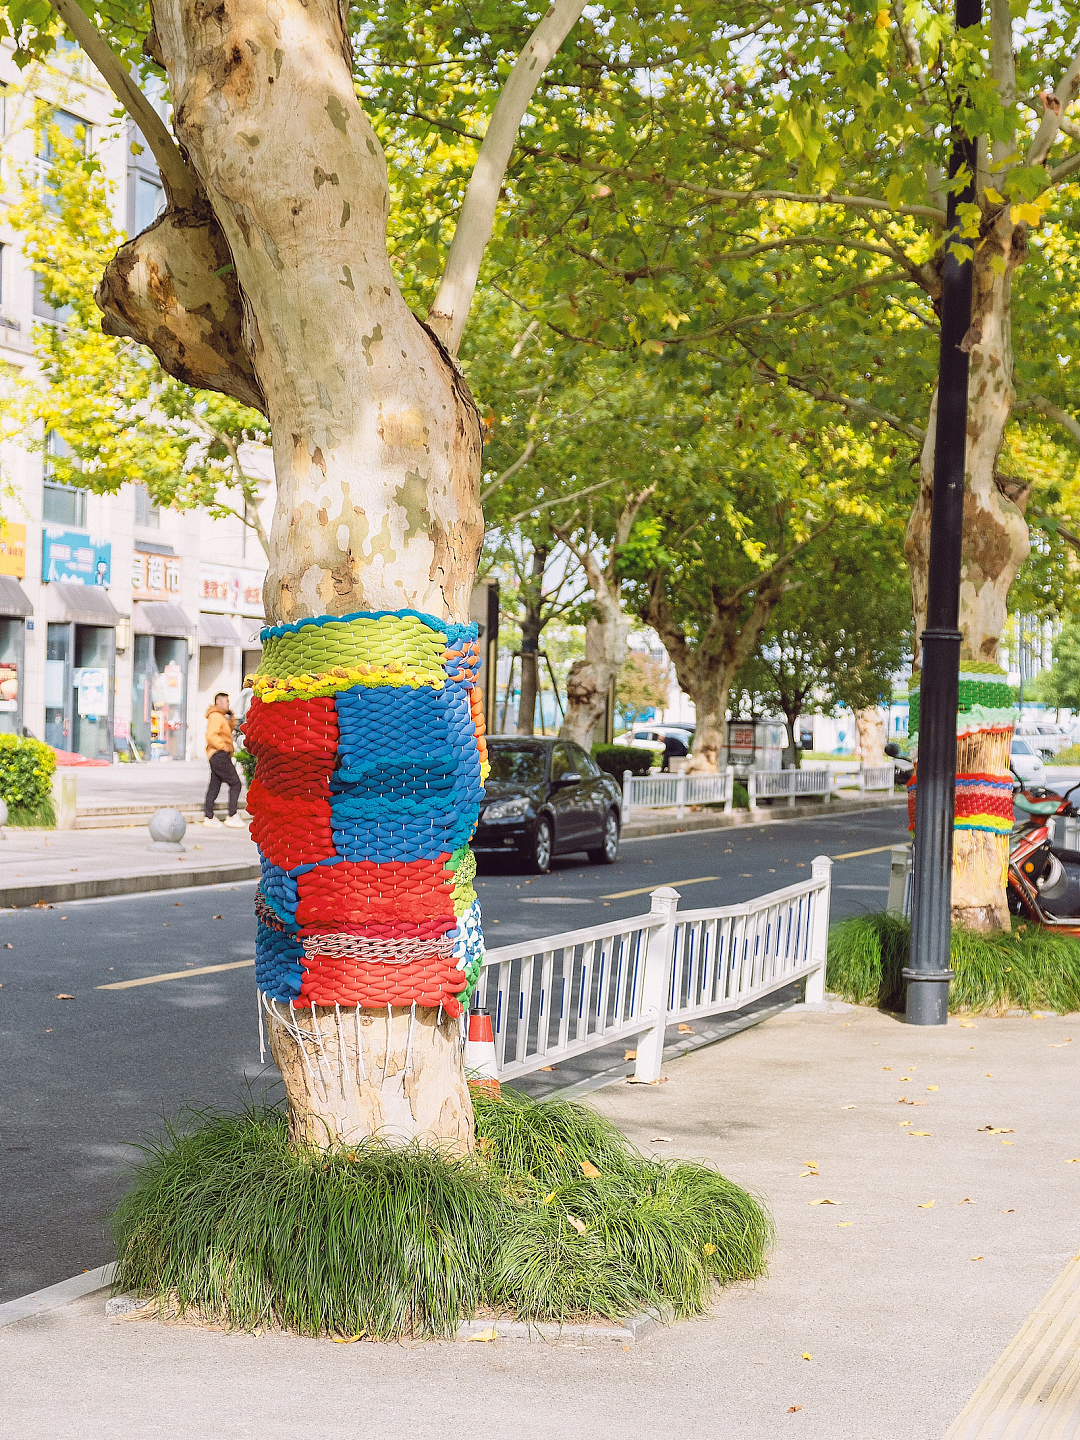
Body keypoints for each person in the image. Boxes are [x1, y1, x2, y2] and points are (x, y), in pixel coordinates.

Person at [204, 692, 245, 827]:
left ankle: (209, 816)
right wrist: (223, 747)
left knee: (215, 785)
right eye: (226, 701)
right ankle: (232, 815)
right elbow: (211, 735)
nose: (228, 704)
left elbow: (226, 732)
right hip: (219, 753)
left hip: (216, 754)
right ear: (219, 702)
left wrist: (231, 720)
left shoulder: (221, 717)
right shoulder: (216, 716)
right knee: (235, 783)